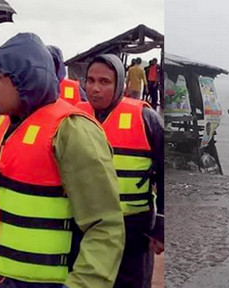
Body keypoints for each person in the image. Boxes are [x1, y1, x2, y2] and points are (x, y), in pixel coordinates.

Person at [0, 32, 125, 288]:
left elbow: (105, 227)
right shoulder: (7, 125)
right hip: (5, 278)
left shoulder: (71, 131)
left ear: (23, 80)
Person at [77, 54, 164, 288]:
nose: (95, 88)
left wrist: (161, 226)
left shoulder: (146, 118)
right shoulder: (74, 118)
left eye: (104, 82)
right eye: (91, 80)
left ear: (120, 86)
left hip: (133, 229)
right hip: (86, 226)